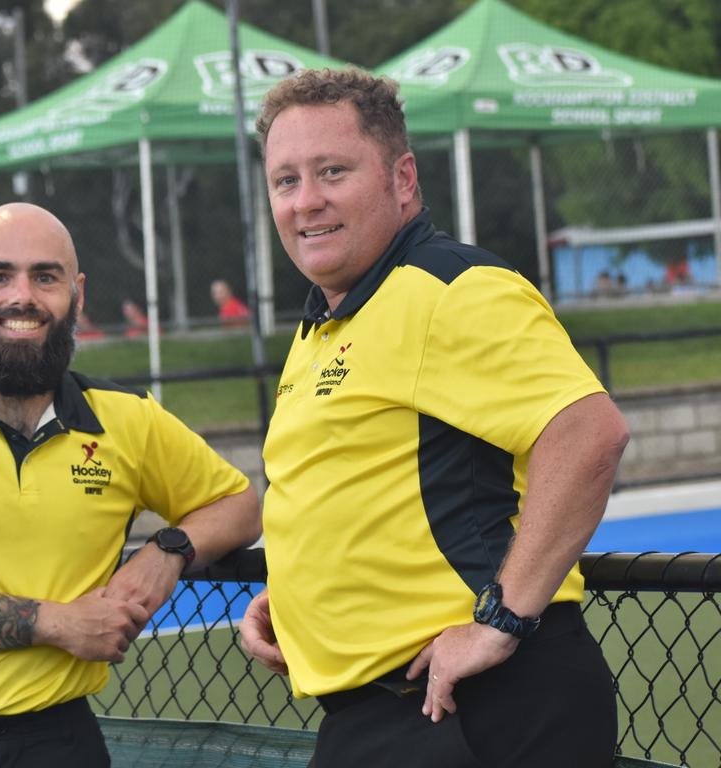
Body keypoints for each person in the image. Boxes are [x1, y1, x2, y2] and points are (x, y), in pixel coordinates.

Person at [238, 68, 629, 768]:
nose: (307, 201)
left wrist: (501, 621)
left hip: (475, 705)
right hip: (389, 716)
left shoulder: (453, 289)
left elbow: (588, 433)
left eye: (333, 171)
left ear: (403, 179)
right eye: (285, 181)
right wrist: (301, 595)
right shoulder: (328, 321)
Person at [0, 202, 261, 767]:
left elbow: (238, 504)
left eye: (46, 276)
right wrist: (56, 624)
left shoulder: (126, 416)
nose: (23, 297)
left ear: (77, 293)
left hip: (63, 744)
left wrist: (168, 552)